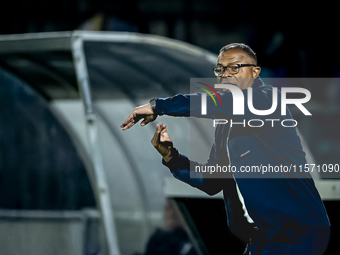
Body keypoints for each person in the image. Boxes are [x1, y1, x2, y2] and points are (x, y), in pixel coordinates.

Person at [121, 43, 330, 254]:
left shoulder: (267, 100)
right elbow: (212, 181)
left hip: (297, 232)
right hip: (263, 237)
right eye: (221, 69)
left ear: (255, 72)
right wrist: (172, 158)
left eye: (235, 67)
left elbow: (213, 102)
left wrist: (158, 106)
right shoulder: (224, 127)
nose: (226, 74)